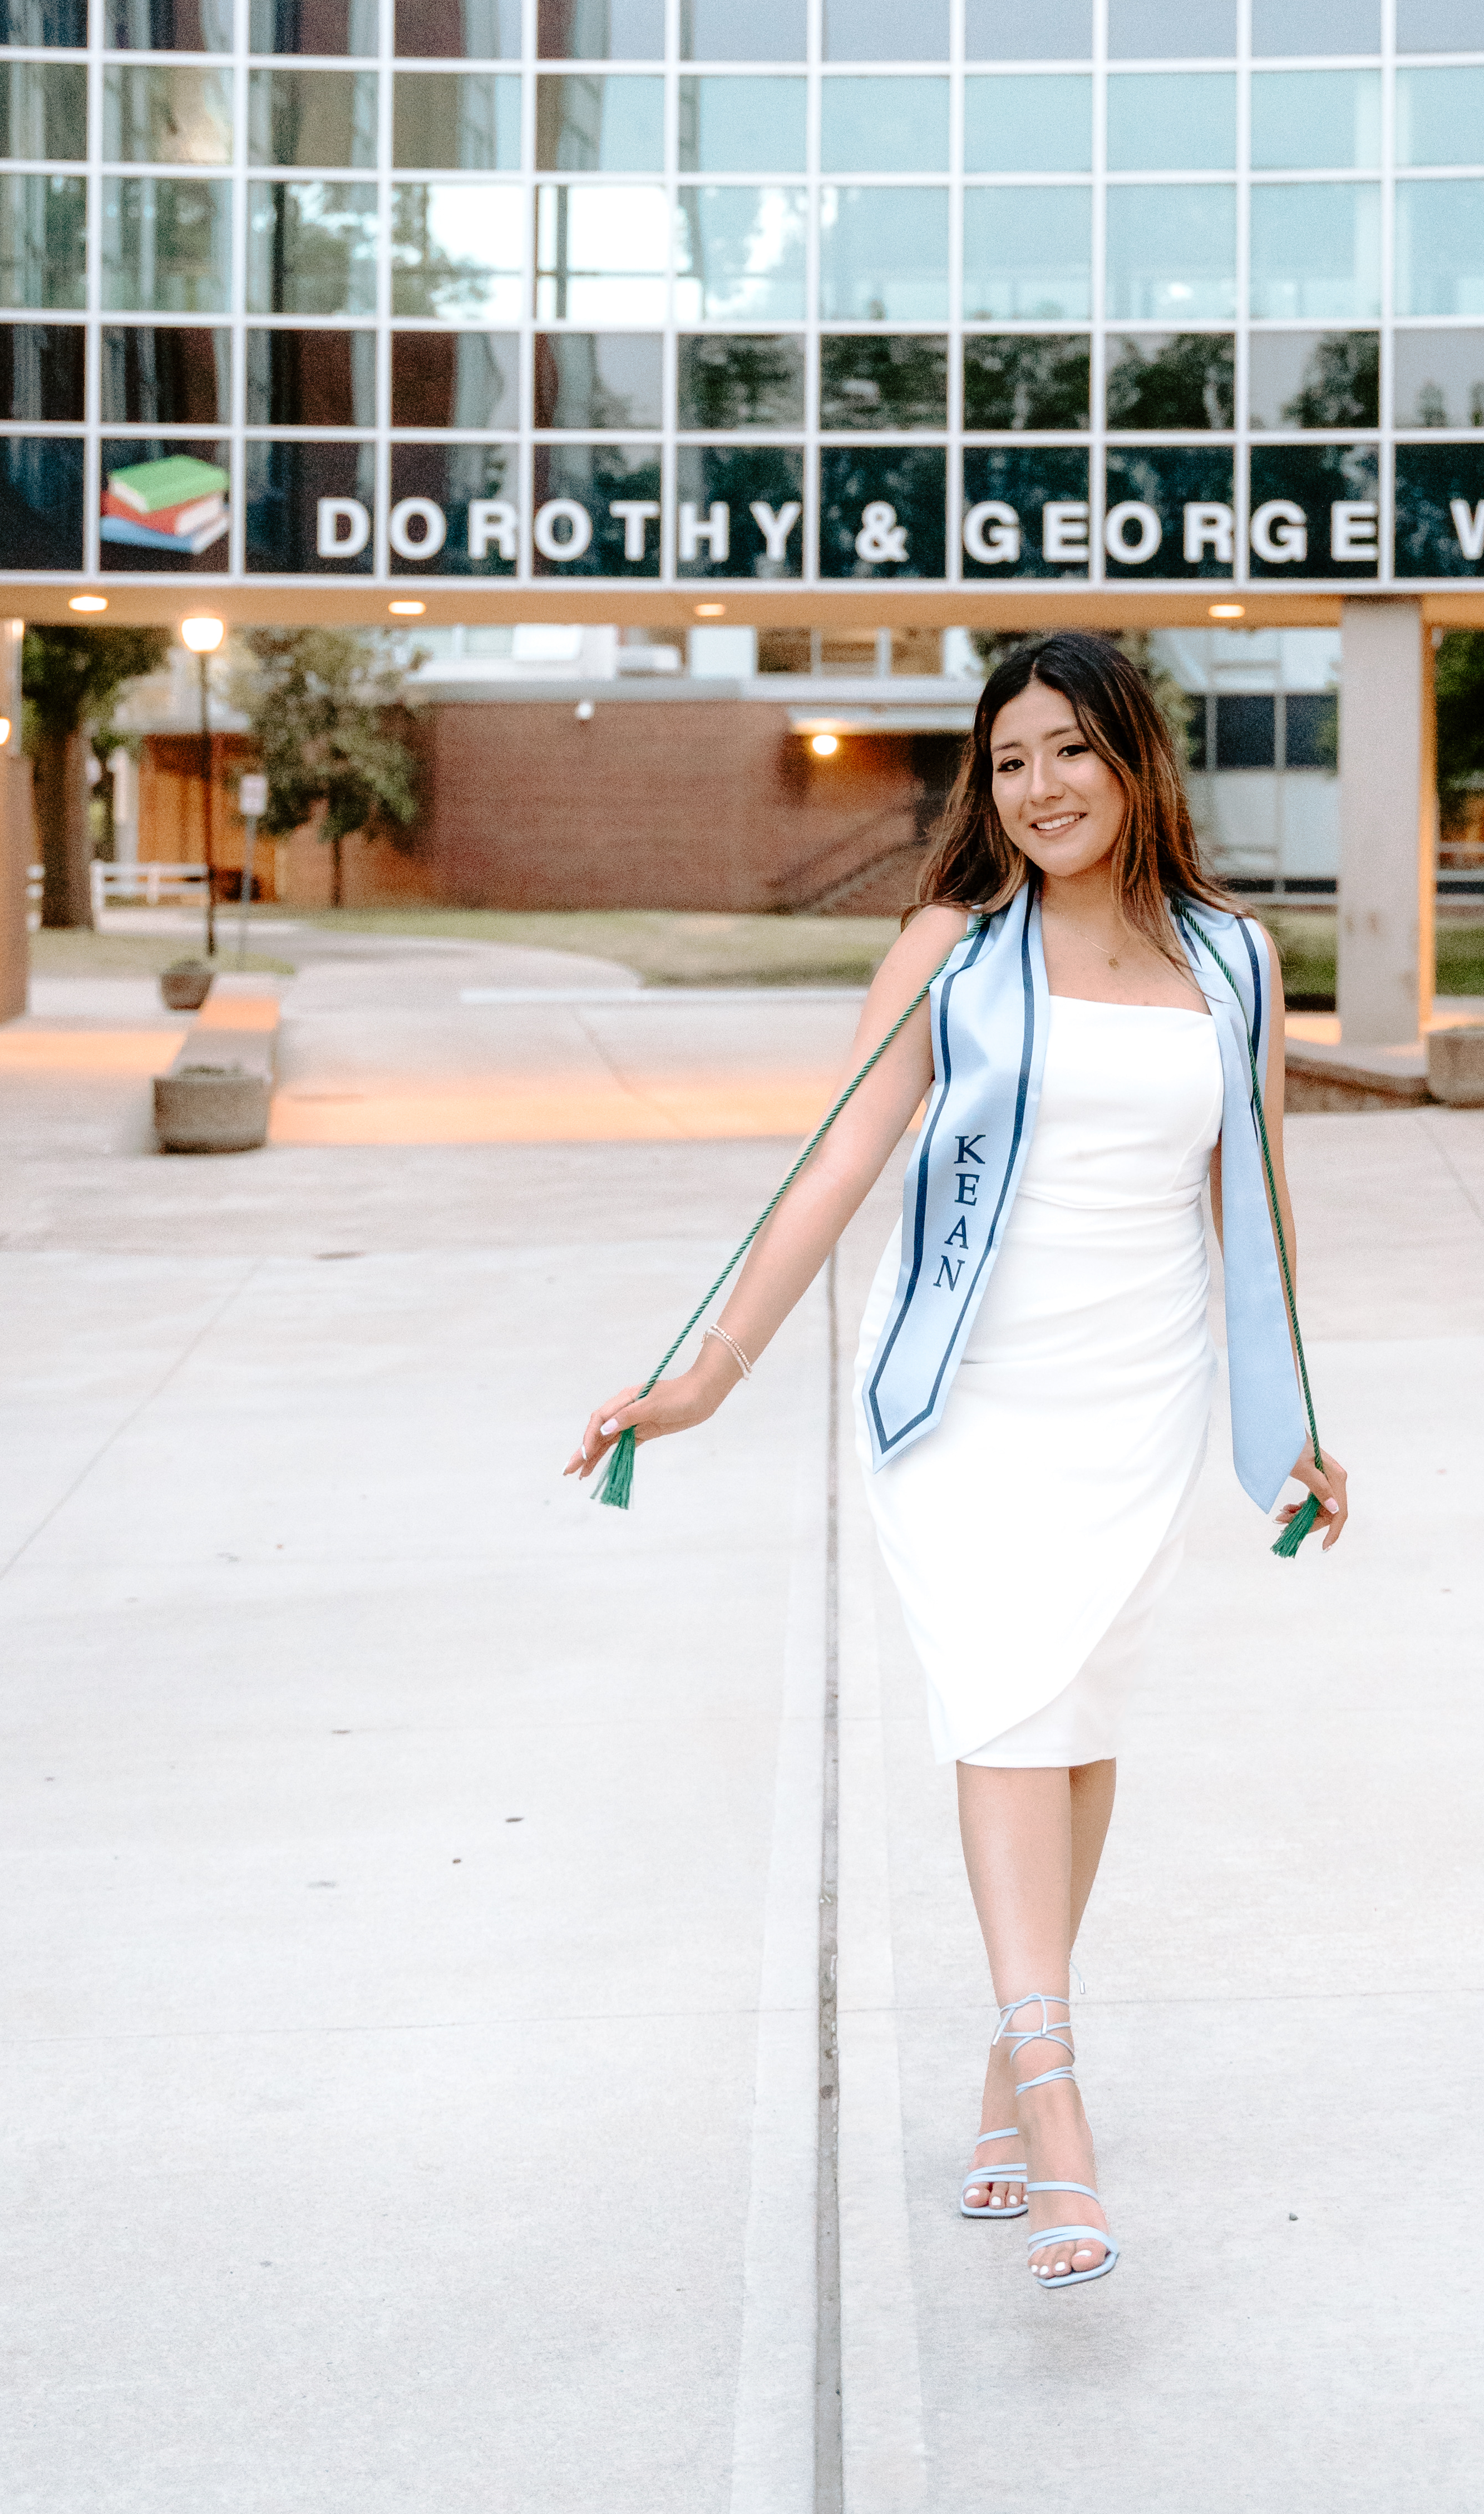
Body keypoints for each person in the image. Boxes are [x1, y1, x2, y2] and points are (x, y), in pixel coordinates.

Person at [566, 632, 1346, 2289]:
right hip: (959, 1391)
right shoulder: (955, 952)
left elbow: (1257, 1212)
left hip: (1138, 1395)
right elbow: (839, 1163)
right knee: (1006, 1703)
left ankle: (1007, 2060)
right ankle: (1056, 2094)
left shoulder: (1237, 963)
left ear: (1136, 760)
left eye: (1070, 751)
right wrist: (703, 1374)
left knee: (1074, 1724)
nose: (1041, 788)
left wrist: (1293, 1434)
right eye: (1009, 762)